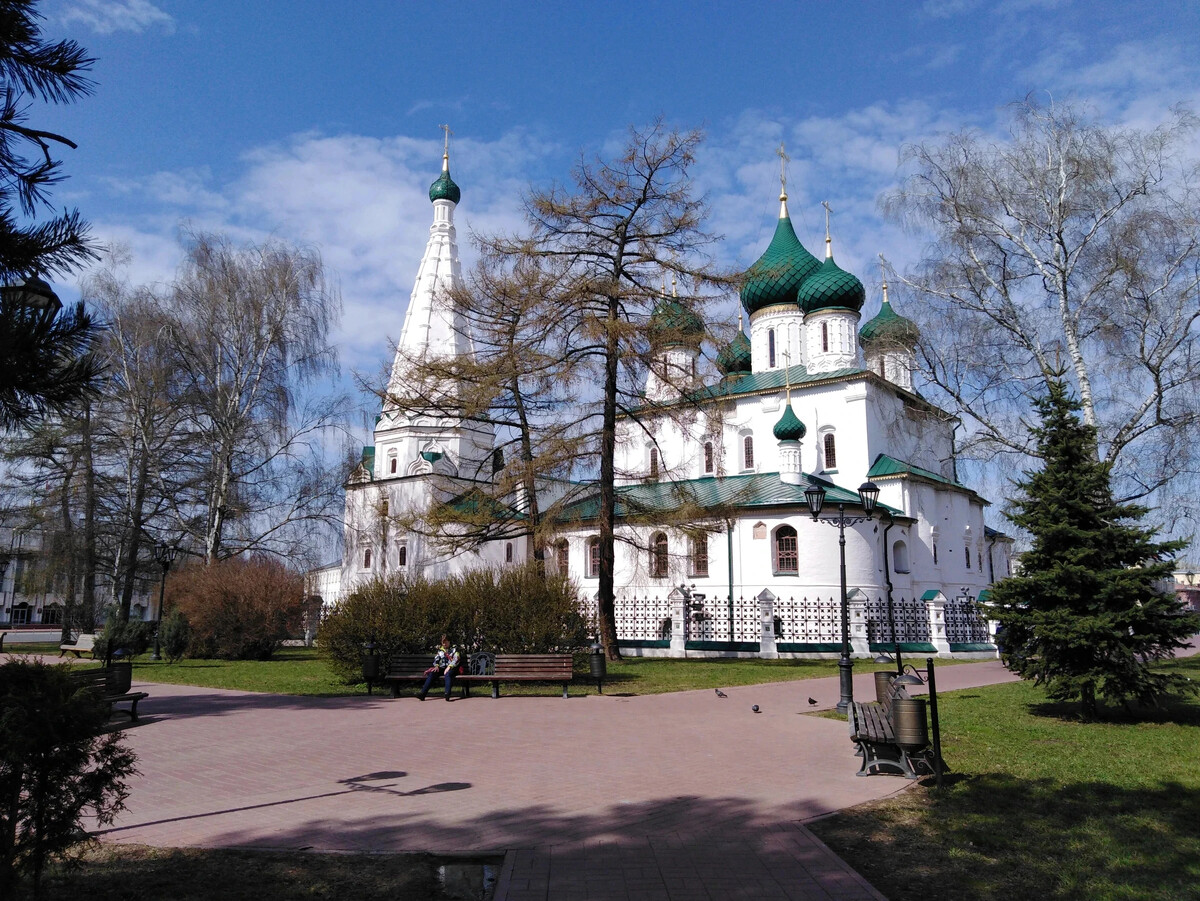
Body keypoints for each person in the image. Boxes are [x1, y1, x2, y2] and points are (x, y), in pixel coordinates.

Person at [418, 635, 460, 701]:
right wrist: (436, 666)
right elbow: (436, 659)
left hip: (452, 668)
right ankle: (423, 693)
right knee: (432, 673)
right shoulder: (440, 651)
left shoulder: (454, 650)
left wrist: (449, 667)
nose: (444, 644)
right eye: (443, 642)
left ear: (449, 642)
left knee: (448, 674)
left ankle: (447, 693)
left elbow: (456, 660)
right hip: (442, 667)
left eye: (446, 642)